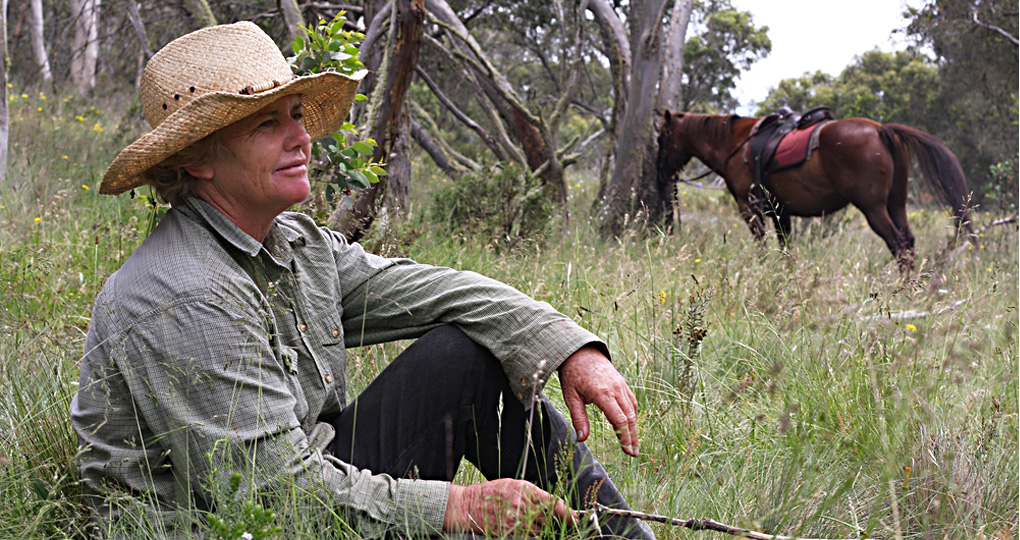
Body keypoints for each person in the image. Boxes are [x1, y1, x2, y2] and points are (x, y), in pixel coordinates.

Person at [70, 21, 654, 540]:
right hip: (229, 522)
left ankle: (621, 536)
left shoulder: (292, 244)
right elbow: (275, 503)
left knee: (465, 351)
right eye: (266, 124)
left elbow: (440, 292)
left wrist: (570, 347)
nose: (300, 138)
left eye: (296, 114)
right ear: (198, 159)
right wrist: (458, 508)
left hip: (301, 483)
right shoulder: (185, 294)